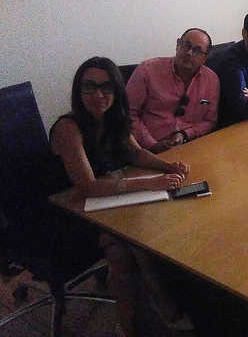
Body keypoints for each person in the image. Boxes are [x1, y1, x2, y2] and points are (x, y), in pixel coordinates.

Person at [50, 56, 193, 336]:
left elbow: (136, 153)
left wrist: (168, 166)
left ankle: (165, 304)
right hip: (71, 209)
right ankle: (129, 324)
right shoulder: (69, 127)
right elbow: (87, 187)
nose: (98, 95)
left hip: (108, 198)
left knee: (154, 224)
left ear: (116, 90)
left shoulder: (114, 118)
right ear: (78, 91)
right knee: (123, 247)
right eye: (89, 87)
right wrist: (151, 183)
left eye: (106, 87)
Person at [126, 28, 220, 153]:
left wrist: (185, 134)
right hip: (146, 150)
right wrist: (152, 144)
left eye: (197, 51)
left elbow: (209, 121)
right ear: (178, 45)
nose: (189, 53)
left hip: (191, 146)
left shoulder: (211, 80)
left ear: (205, 58)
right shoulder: (147, 71)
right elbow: (128, 114)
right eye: (186, 45)